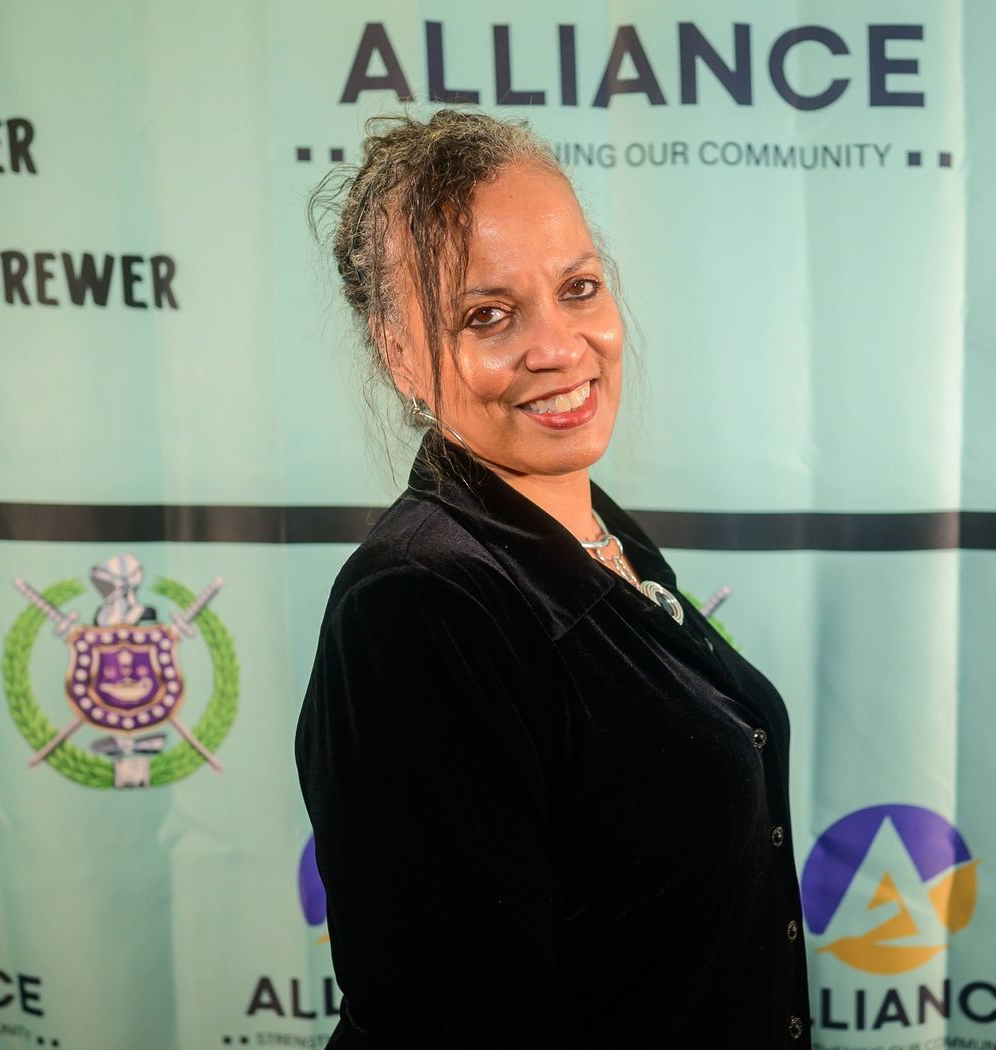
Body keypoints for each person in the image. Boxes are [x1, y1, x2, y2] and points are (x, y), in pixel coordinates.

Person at [294, 110, 811, 1047]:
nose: (561, 347)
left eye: (578, 288)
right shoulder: (421, 606)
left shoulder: (600, 530)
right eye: (487, 315)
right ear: (398, 349)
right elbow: (460, 1022)